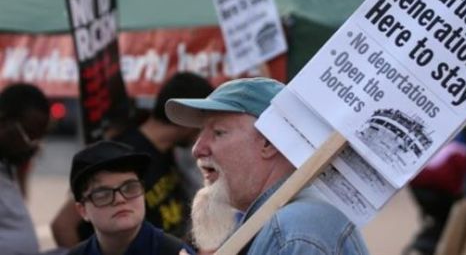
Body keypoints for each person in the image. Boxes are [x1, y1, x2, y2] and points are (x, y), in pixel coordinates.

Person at [165, 77, 370, 254]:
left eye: (218, 132)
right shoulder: (286, 223)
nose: (197, 149)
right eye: (201, 133)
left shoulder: (293, 229)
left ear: (269, 142)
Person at [52, 72, 214, 247]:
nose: (205, 128)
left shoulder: (167, 150)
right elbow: (63, 225)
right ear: (185, 115)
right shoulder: (123, 154)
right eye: (204, 119)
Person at [67, 140, 195, 255]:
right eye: (103, 195)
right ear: (82, 210)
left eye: (130, 188)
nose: (119, 199)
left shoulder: (174, 252)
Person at [0, 83, 50, 255]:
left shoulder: (8, 166)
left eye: (39, 138)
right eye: (29, 134)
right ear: (3, 120)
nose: (33, 145)